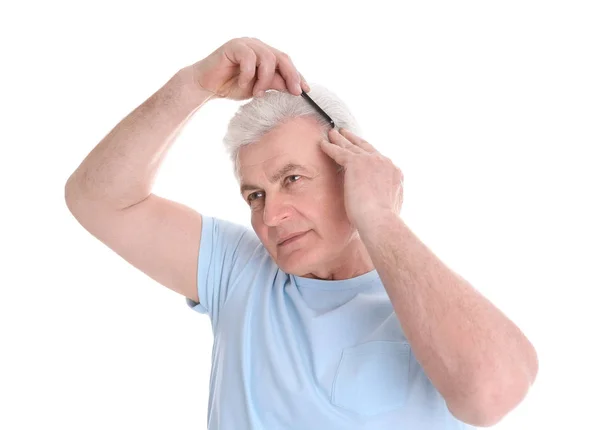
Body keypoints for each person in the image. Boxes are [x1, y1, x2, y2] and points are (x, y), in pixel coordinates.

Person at [65, 37, 538, 430]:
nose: (270, 217)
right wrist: (194, 85)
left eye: (292, 179)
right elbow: (98, 198)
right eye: (255, 195)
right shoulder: (239, 271)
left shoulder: (427, 304)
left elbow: (492, 393)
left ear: (351, 170)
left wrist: (378, 216)